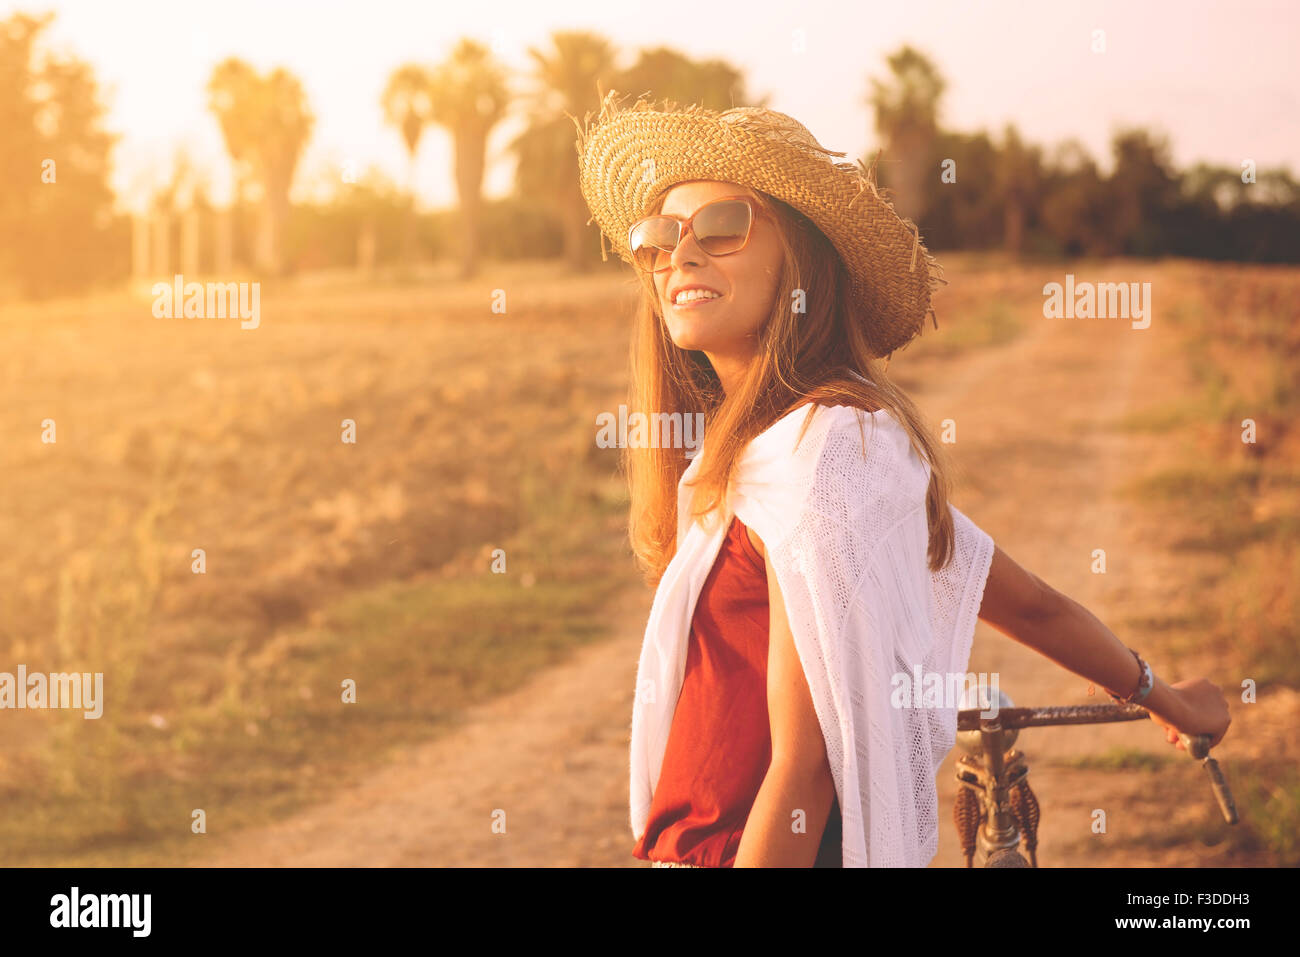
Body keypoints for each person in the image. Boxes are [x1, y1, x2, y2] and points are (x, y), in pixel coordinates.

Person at [572, 91, 1231, 868]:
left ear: (802, 261)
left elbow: (805, 764)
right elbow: (1027, 601)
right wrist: (1163, 695)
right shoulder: (759, 449)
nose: (679, 254)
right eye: (658, 237)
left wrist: (1169, 697)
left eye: (722, 226)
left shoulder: (830, 446)